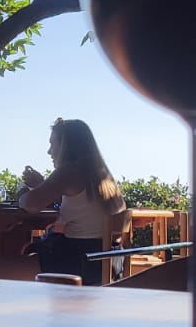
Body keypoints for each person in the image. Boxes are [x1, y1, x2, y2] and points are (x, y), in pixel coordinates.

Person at [16, 119, 128, 285]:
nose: (49, 151)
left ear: (65, 146)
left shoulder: (69, 171)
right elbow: (76, 201)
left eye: (52, 144)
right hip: (110, 260)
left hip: (82, 262)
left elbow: (30, 204)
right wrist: (42, 184)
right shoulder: (101, 174)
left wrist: (22, 190)